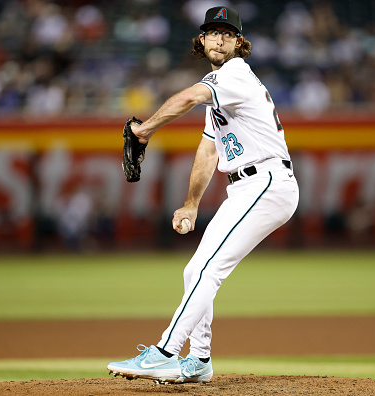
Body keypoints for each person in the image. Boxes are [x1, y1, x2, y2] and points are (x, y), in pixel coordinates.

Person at [107, 6, 299, 384]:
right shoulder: (221, 88)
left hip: (267, 182)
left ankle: (163, 353)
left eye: (228, 33)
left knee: (208, 271)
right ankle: (199, 360)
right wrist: (192, 203)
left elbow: (190, 97)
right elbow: (210, 149)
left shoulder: (235, 75)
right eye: (214, 32)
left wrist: (143, 130)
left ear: (240, 43)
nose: (220, 38)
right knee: (195, 270)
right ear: (202, 40)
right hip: (249, 186)